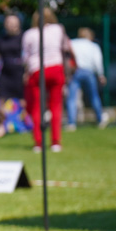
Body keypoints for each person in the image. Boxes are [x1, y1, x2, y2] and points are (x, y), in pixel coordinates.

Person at [22, 8, 72, 153]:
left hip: (36, 70)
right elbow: (65, 48)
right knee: (55, 106)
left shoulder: (29, 34)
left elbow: (25, 57)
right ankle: (55, 142)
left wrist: (26, 72)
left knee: (37, 107)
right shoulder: (58, 29)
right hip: (56, 68)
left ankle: (38, 143)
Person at [0, 15, 24, 138]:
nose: (11, 25)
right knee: (1, 101)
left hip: (20, 72)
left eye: (14, 22)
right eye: (8, 22)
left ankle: (25, 125)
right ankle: (1, 126)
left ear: (18, 24)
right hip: (5, 73)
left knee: (24, 101)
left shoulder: (23, 38)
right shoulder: (2, 39)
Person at [66, 27, 108, 130]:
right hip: (89, 72)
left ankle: (71, 123)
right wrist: (101, 75)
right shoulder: (93, 46)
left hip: (75, 72)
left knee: (72, 98)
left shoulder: (72, 43)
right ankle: (100, 119)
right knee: (94, 96)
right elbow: (97, 62)